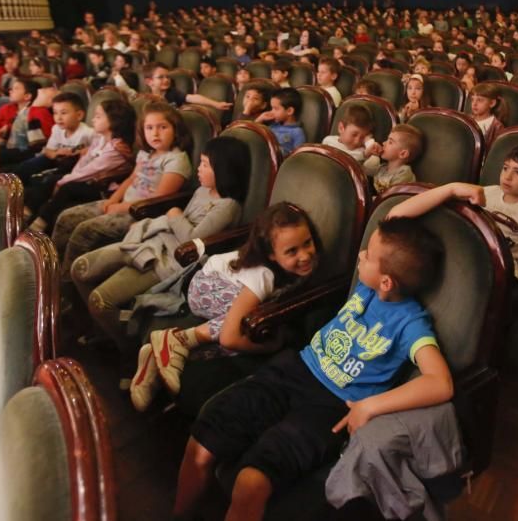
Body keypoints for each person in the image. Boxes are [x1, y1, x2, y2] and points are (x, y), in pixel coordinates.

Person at [170, 216, 451, 521]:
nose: (361, 255)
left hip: (327, 407)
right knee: (202, 441)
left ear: (387, 281)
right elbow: (395, 215)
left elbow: (440, 382)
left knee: (250, 482)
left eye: (368, 255)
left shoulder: (410, 322)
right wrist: (451, 189)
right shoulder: (369, 288)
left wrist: (370, 406)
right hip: (294, 370)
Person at [72, 136, 251, 358]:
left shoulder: (228, 206)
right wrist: (168, 220)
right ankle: (106, 329)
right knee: (79, 269)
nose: (199, 168)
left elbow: (191, 241)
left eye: (205, 164)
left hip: (171, 261)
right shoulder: (203, 190)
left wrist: (174, 214)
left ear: (224, 170)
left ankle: (127, 352)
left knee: (100, 302)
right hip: (156, 244)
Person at [390, 144, 518, 284]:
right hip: (471, 253)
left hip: (501, 268)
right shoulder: (490, 191)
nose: (507, 177)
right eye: (505, 168)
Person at [52, 101, 191, 270]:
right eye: (149, 128)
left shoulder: (177, 160)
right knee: (67, 217)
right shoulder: (146, 153)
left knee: (85, 230)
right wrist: (113, 200)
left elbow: (159, 200)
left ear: (175, 129)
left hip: (143, 213)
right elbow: (132, 178)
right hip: (123, 203)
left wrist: (120, 208)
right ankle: (52, 268)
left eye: (162, 127)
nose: (155, 133)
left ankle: (66, 282)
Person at [28, 98, 135, 232]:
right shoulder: (100, 138)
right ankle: (28, 216)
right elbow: (84, 162)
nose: (93, 120)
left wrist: (64, 181)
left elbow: (91, 170)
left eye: (98, 116)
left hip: (105, 187)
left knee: (67, 187)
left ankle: (39, 225)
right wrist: (68, 177)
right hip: (91, 180)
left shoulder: (117, 149)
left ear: (114, 121)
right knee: (50, 181)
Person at [11, 92, 91, 190]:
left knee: (44, 180)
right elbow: (48, 150)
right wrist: (56, 153)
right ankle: (13, 192)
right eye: (55, 113)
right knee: (25, 167)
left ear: (79, 115)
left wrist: (80, 152)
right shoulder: (56, 129)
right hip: (56, 158)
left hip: (74, 165)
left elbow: (97, 152)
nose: (58, 117)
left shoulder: (88, 133)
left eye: (64, 113)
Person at [0, 77, 54, 167]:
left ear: (27, 96)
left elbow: (46, 137)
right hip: (7, 146)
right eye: (12, 88)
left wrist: (9, 129)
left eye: (16, 88)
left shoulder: (39, 111)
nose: (11, 90)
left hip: (28, 150)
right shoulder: (6, 108)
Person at [367, 123, 422, 194]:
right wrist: (367, 154)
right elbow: (360, 170)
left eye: (390, 142)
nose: (383, 143)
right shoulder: (382, 168)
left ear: (403, 154)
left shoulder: (404, 174)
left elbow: (392, 198)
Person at [322, 103, 380, 168]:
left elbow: (354, 164)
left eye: (362, 137)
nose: (357, 141)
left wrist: (369, 143)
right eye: (354, 135)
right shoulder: (328, 141)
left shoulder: (363, 152)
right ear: (341, 128)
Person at [255, 87, 306, 156]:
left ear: (289, 111)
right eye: (271, 108)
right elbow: (253, 135)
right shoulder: (273, 125)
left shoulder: (297, 132)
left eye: (275, 109)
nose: (272, 112)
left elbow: (297, 157)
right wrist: (260, 119)